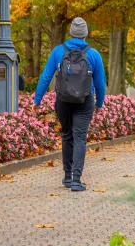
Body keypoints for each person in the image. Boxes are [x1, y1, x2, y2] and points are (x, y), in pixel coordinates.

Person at [33, 17, 106, 192]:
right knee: (80, 137)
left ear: (71, 32)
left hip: (63, 101)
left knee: (67, 136)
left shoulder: (58, 51)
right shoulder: (93, 54)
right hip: (85, 101)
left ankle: (67, 177)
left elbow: (46, 77)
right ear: (85, 35)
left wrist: (37, 100)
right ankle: (76, 180)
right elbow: (101, 83)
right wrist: (100, 103)